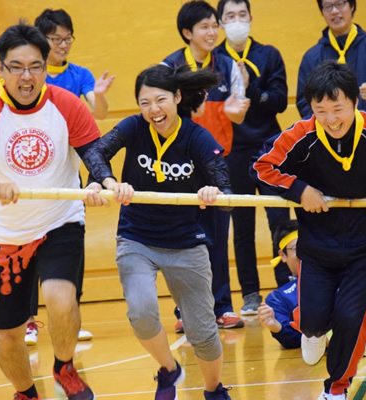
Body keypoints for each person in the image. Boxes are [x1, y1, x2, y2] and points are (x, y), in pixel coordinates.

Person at [251, 60, 366, 400]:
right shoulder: (301, 135)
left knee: (351, 316)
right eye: (320, 110)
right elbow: (263, 167)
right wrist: (299, 190)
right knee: (312, 321)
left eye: (338, 108)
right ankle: (310, 327)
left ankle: (336, 390)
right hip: (317, 246)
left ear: (355, 102)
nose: (330, 119)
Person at [0, 22, 103, 400]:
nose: (26, 77)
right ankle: (26, 392)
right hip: (4, 235)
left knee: (61, 298)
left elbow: (96, 154)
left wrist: (100, 181)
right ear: (1, 69)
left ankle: (64, 367)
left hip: (59, 221)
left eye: (35, 66)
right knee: (9, 334)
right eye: (16, 66)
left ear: (47, 67)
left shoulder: (66, 104)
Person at [84, 64, 232, 400]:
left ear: (177, 98)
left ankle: (213, 390)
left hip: (186, 244)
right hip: (137, 239)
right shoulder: (134, 128)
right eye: (145, 102)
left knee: (203, 332)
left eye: (160, 100)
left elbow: (226, 191)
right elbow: (95, 151)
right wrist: (108, 182)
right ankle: (169, 369)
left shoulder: (196, 137)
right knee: (141, 311)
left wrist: (215, 193)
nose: (153, 110)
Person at [28, 7, 116, 345]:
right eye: (55, 39)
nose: (63, 45)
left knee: (69, 244)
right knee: (29, 245)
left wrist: (102, 94)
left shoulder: (79, 75)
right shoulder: (30, 75)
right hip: (32, 172)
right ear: (40, 40)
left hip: (67, 174)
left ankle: (70, 318)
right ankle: (29, 320)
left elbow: (99, 110)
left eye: (67, 39)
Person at [163, 0, 249, 331]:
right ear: (188, 33)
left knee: (216, 236)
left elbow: (239, 113)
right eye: (205, 26)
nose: (213, 31)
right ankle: (185, 310)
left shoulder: (228, 66)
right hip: (179, 165)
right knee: (184, 238)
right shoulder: (169, 68)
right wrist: (188, 114)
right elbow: (160, 112)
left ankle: (222, 306)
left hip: (218, 163)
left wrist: (232, 111)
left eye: (215, 25)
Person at [214, 0, 291, 314]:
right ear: (220, 22)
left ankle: (286, 284)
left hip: (270, 148)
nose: (236, 21)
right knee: (242, 226)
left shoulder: (268, 54)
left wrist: (251, 87)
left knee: (280, 221)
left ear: (250, 19)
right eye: (229, 16)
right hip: (234, 153)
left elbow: (279, 101)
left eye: (241, 15)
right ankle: (249, 294)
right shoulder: (215, 59)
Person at [258, 220, 366, 359]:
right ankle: (352, 343)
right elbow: (293, 340)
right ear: (282, 255)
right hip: (325, 330)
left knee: (365, 280)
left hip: (360, 318)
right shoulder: (278, 297)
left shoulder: (340, 270)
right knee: (316, 326)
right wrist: (275, 326)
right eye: (297, 248)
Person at [297, 0, 366, 120]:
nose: (334, 11)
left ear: (352, 6)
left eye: (340, 4)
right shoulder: (311, 57)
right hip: (329, 133)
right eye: (328, 6)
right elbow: (304, 102)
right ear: (322, 12)